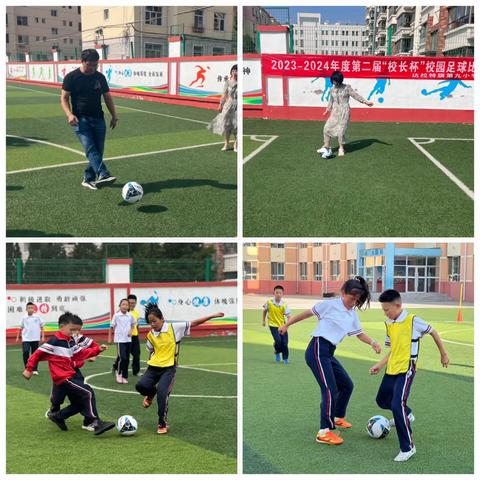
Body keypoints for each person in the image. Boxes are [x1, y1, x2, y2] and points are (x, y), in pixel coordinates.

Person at [278, 276, 381, 446]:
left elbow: (358, 333)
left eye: (357, 300)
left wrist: (373, 342)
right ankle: (324, 431)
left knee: (347, 384)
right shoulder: (330, 305)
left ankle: (337, 417)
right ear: (343, 292)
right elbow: (306, 314)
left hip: (328, 352)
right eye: (351, 298)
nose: (353, 302)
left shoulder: (352, 313)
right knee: (329, 389)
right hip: (317, 349)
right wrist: (287, 325)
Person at [369, 289, 449, 462]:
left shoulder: (413, 321)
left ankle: (408, 447)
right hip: (392, 368)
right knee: (382, 400)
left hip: (407, 368)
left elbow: (433, 332)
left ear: (398, 306)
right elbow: (393, 349)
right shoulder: (389, 323)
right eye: (383, 310)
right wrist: (379, 365)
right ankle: (408, 413)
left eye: (387, 309)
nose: (385, 313)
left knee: (397, 405)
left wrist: (443, 353)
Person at [135, 302, 224, 434]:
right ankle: (150, 394)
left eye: (154, 321)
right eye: (150, 322)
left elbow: (193, 323)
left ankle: (162, 423)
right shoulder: (151, 334)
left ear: (162, 319)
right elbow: (151, 350)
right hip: (153, 367)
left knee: (162, 394)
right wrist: (149, 365)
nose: (152, 325)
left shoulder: (174, 328)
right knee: (140, 386)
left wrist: (213, 315)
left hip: (168, 369)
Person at [22, 312, 115, 435]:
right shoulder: (54, 341)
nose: (74, 333)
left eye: (77, 330)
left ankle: (59, 416)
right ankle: (95, 422)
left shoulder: (70, 341)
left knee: (79, 402)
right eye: (72, 329)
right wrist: (29, 369)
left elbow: (80, 354)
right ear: (61, 326)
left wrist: (97, 350)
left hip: (69, 375)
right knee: (87, 392)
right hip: (63, 377)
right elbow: (37, 354)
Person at [61, 48, 118, 190]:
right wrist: (69, 114)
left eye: (95, 65)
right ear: (82, 61)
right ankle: (103, 174)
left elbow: (107, 97)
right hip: (80, 120)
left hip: (99, 118)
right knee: (90, 148)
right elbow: (64, 98)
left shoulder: (100, 77)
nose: (92, 68)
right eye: (89, 65)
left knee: (98, 151)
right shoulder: (71, 77)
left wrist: (114, 115)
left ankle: (88, 177)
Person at [46, 332, 100, 432]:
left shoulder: (79, 338)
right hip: (62, 372)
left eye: (77, 329)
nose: (76, 331)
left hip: (74, 372)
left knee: (83, 396)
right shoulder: (58, 340)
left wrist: (94, 354)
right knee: (57, 398)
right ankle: (55, 412)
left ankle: (89, 421)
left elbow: (94, 345)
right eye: (73, 328)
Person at [315, 70, 374, 158]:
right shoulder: (332, 89)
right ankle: (326, 146)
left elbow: (355, 95)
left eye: (336, 81)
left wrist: (365, 102)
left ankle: (341, 148)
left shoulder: (347, 88)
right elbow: (331, 100)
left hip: (344, 111)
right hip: (335, 111)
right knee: (326, 128)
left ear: (340, 80)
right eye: (333, 81)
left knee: (340, 131)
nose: (334, 82)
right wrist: (327, 110)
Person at [208, 64, 237, 152]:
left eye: (237, 70)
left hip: (237, 105)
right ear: (231, 72)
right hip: (228, 105)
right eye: (233, 70)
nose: (235, 72)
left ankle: (236, 144)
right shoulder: (227, 82)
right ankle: (226, 143)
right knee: (227, 125)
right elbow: (224, 95)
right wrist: (220, 104)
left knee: (236, 125)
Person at [108, 298, 135, 384]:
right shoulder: (116, 315)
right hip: (119, 340)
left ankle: (125, 376)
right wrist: (109, 337)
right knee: (122, 358)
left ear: (128, 307)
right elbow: (111, 326)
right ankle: (119, 374)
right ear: (120, 306)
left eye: (126, 305)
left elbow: (133, 324)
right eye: (123, 304)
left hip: (128, 340)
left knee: (127, 359)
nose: (125, 306)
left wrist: (131, 331)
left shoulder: (130, 315)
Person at [262, 285, 291, 364]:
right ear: (273, 293)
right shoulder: (269, 302)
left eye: (280, 293)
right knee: (278, 341)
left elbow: (289, 316)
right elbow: (264, 311)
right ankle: (277, 352)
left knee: (285, 343)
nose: (278, 294)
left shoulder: (284, 305)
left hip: (282, 326)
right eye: (277, 292)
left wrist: (287, 325)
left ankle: (285, 359)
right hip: (273, 325)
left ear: (282, 294)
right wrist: (263, 320)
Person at [16, 302, 45, 375]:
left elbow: (42, 327)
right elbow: (20, 327)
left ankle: (35, 369)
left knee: (35, 354)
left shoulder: (37, 317)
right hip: (26, 339)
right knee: (25, 352)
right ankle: (27, 368)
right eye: (29, 308)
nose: (30, 309)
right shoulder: (24, 317)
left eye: (32, 308)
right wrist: (17, 337)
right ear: (26, 309)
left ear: (34, 309)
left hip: (35, 338)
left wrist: (43, 336)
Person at [128, 294, 141, 376]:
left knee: (136, 354)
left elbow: (137, 325)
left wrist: (138, 334)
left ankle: (136, 371)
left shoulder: (136, 313)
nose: (132, 304)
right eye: (130, 303)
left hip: (135, 336)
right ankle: (116, 366)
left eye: (134, 303)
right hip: (125, 337)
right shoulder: (124, 312)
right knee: (123, 355)